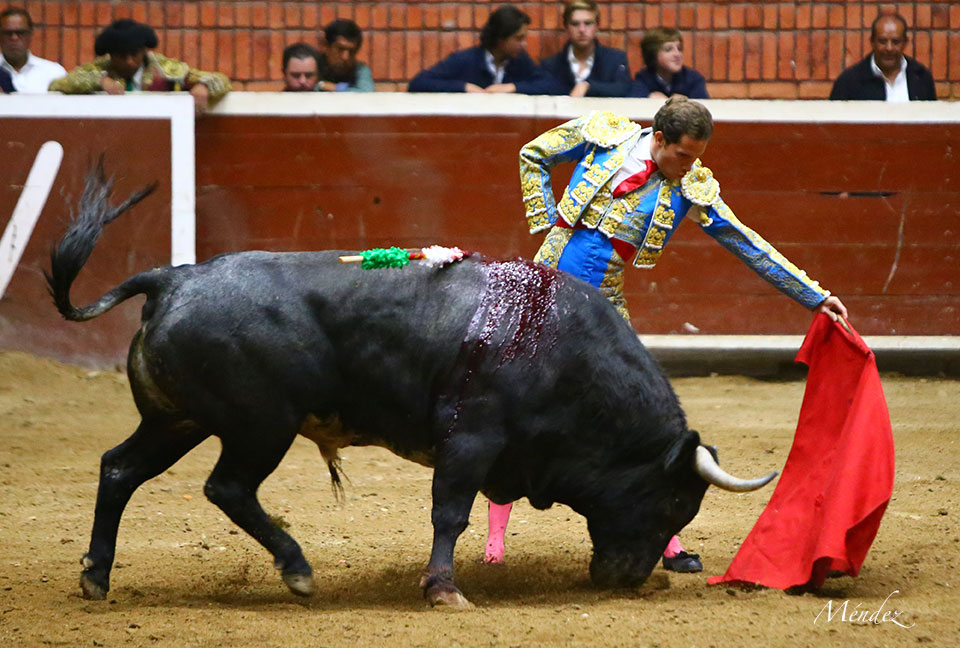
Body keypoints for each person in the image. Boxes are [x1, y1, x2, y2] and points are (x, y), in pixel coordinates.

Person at [494, 97, 848, 573]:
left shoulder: (691, 188)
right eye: (683, 156)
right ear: (658, 139)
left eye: (696, 158)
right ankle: (496, 536)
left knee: (633, 415)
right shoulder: (604, 133)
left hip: (602, 307)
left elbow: (745, 241)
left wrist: (814, 296)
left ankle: (665, 539)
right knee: (507, 399)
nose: (689, 167)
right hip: (542, 285)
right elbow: (533, 154)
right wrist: (547, 223)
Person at [49, 19, 231, 112]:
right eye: (122, 56)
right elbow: (57, 85)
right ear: (110, 55)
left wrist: (203, 86)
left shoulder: (166, 69)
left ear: (144, 51)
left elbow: (221, 80)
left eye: (134, 54)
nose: (129, 61)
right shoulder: (99, 69)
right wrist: (100, 82)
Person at [408, 4, 563, 95]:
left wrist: (512, 87)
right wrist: (465, 87)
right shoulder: (465, 60)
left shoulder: (520, 61)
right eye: (518, 38)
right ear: (501, 39)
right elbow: (419, 83)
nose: (524, 44)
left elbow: (552, 84)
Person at [829, 13, 936, 101]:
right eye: (882, 41)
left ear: (905, 43)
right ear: (872, 42)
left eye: (895, 42)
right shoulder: (849, 81)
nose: (889, 48)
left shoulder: (921, 77)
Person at [539, 0, 631, 98]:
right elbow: (534, 86)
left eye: (588, 23)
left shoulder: (615, 61)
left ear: (597, 26)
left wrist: (589, 87)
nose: (582, 30)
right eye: (575, 24)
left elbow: (624, 89)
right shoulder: (550, 66)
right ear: (566, 27)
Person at [0, 7, 66, 93]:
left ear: (30, 34)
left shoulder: (54, 73)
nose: (14, 38)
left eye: (21, 33)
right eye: (8, 33)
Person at [629, 27, 708, 99]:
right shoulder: (643, 79)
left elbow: (706, 108)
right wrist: (649, 98)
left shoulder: (692, 79)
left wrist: (688, 104)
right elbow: (633, 104)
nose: (677, 54)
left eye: (679, 48)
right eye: (668, 49)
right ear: (653, 54)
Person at [316, 19, 374, 92]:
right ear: (326, 46)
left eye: (352, 51)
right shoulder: (313, 66)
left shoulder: (360, 70)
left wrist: (336, 88)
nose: (345, 57)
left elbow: (366, 93)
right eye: (340, 49)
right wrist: (320, 86)